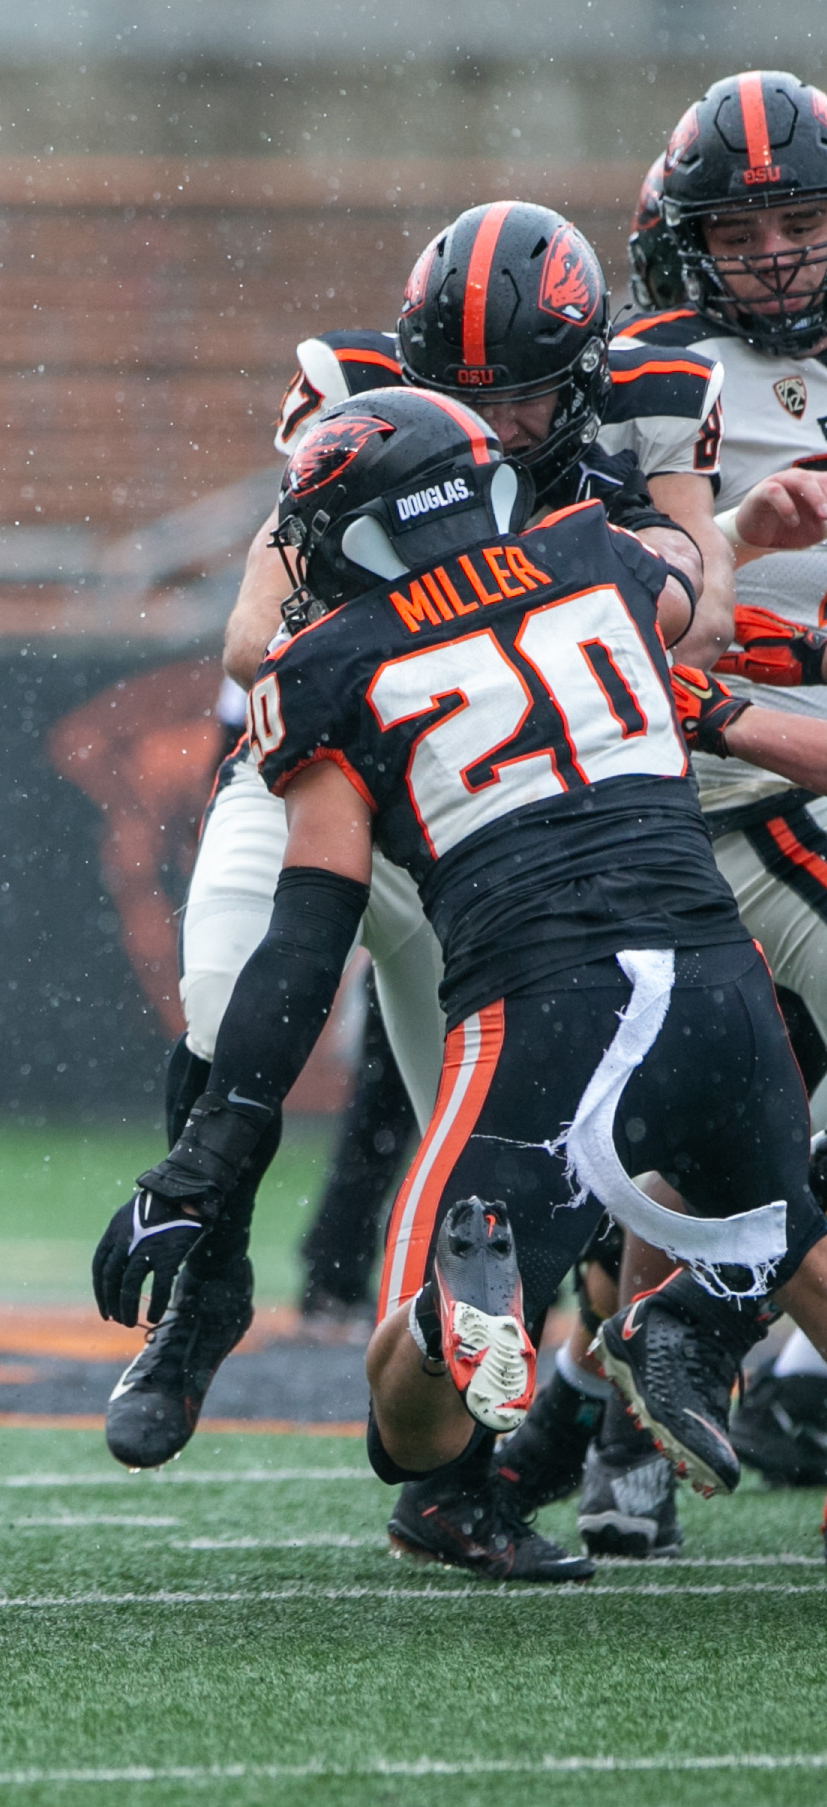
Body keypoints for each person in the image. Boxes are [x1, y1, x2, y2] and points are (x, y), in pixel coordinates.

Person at [105, 387, 827, 1591]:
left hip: (544, 1007)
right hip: (715, 989)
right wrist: (732, 534)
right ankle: (696, 1315)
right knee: (783, 1239)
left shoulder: (328, 664)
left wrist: (215, 1148)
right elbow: (689, 607)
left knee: (416, 1433)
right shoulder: (596, 562)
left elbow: (305, 936)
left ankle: (457, 1324)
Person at [113, 200, 731, 1494]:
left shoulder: (633, 430)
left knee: (504, 1145)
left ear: (574, 379)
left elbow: (694, 608)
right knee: (230, 1003)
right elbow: (245, 641)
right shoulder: (349, 401)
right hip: (317, 774)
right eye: (457, 391)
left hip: (474, 831)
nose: (488, 423)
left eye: (515, 398)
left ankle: (462, 1480)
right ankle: (202, 1290)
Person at [613, 70, 827, 1513]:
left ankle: (622, 1395)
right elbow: (624, 597)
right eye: (737, 227)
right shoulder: (637, 368)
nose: (767, 251)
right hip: (695, 774)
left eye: (795, 220)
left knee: (714, 1129)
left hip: (787, 776)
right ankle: (615, 1411)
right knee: (672, 1128)